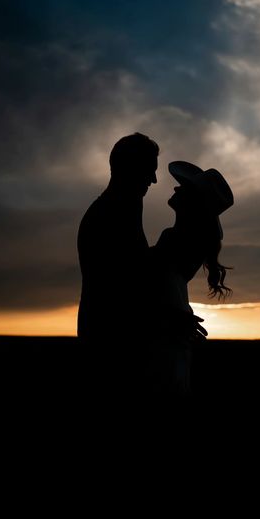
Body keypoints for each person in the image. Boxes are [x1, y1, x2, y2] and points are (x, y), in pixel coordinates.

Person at [143, 161, 234, 397]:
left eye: (183, 187)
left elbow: (153, 285)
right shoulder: (187, 241)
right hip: (173, 324)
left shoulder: (176, 240)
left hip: (165, 331)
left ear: (194, 202)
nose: (175, 189)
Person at [77, 132, 159, 391]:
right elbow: (122, 287)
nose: (154, 180)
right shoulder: (110, 215)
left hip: (112, 343)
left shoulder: (122, 209)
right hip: (112, 349)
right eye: (149, 170)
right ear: (130, 169)